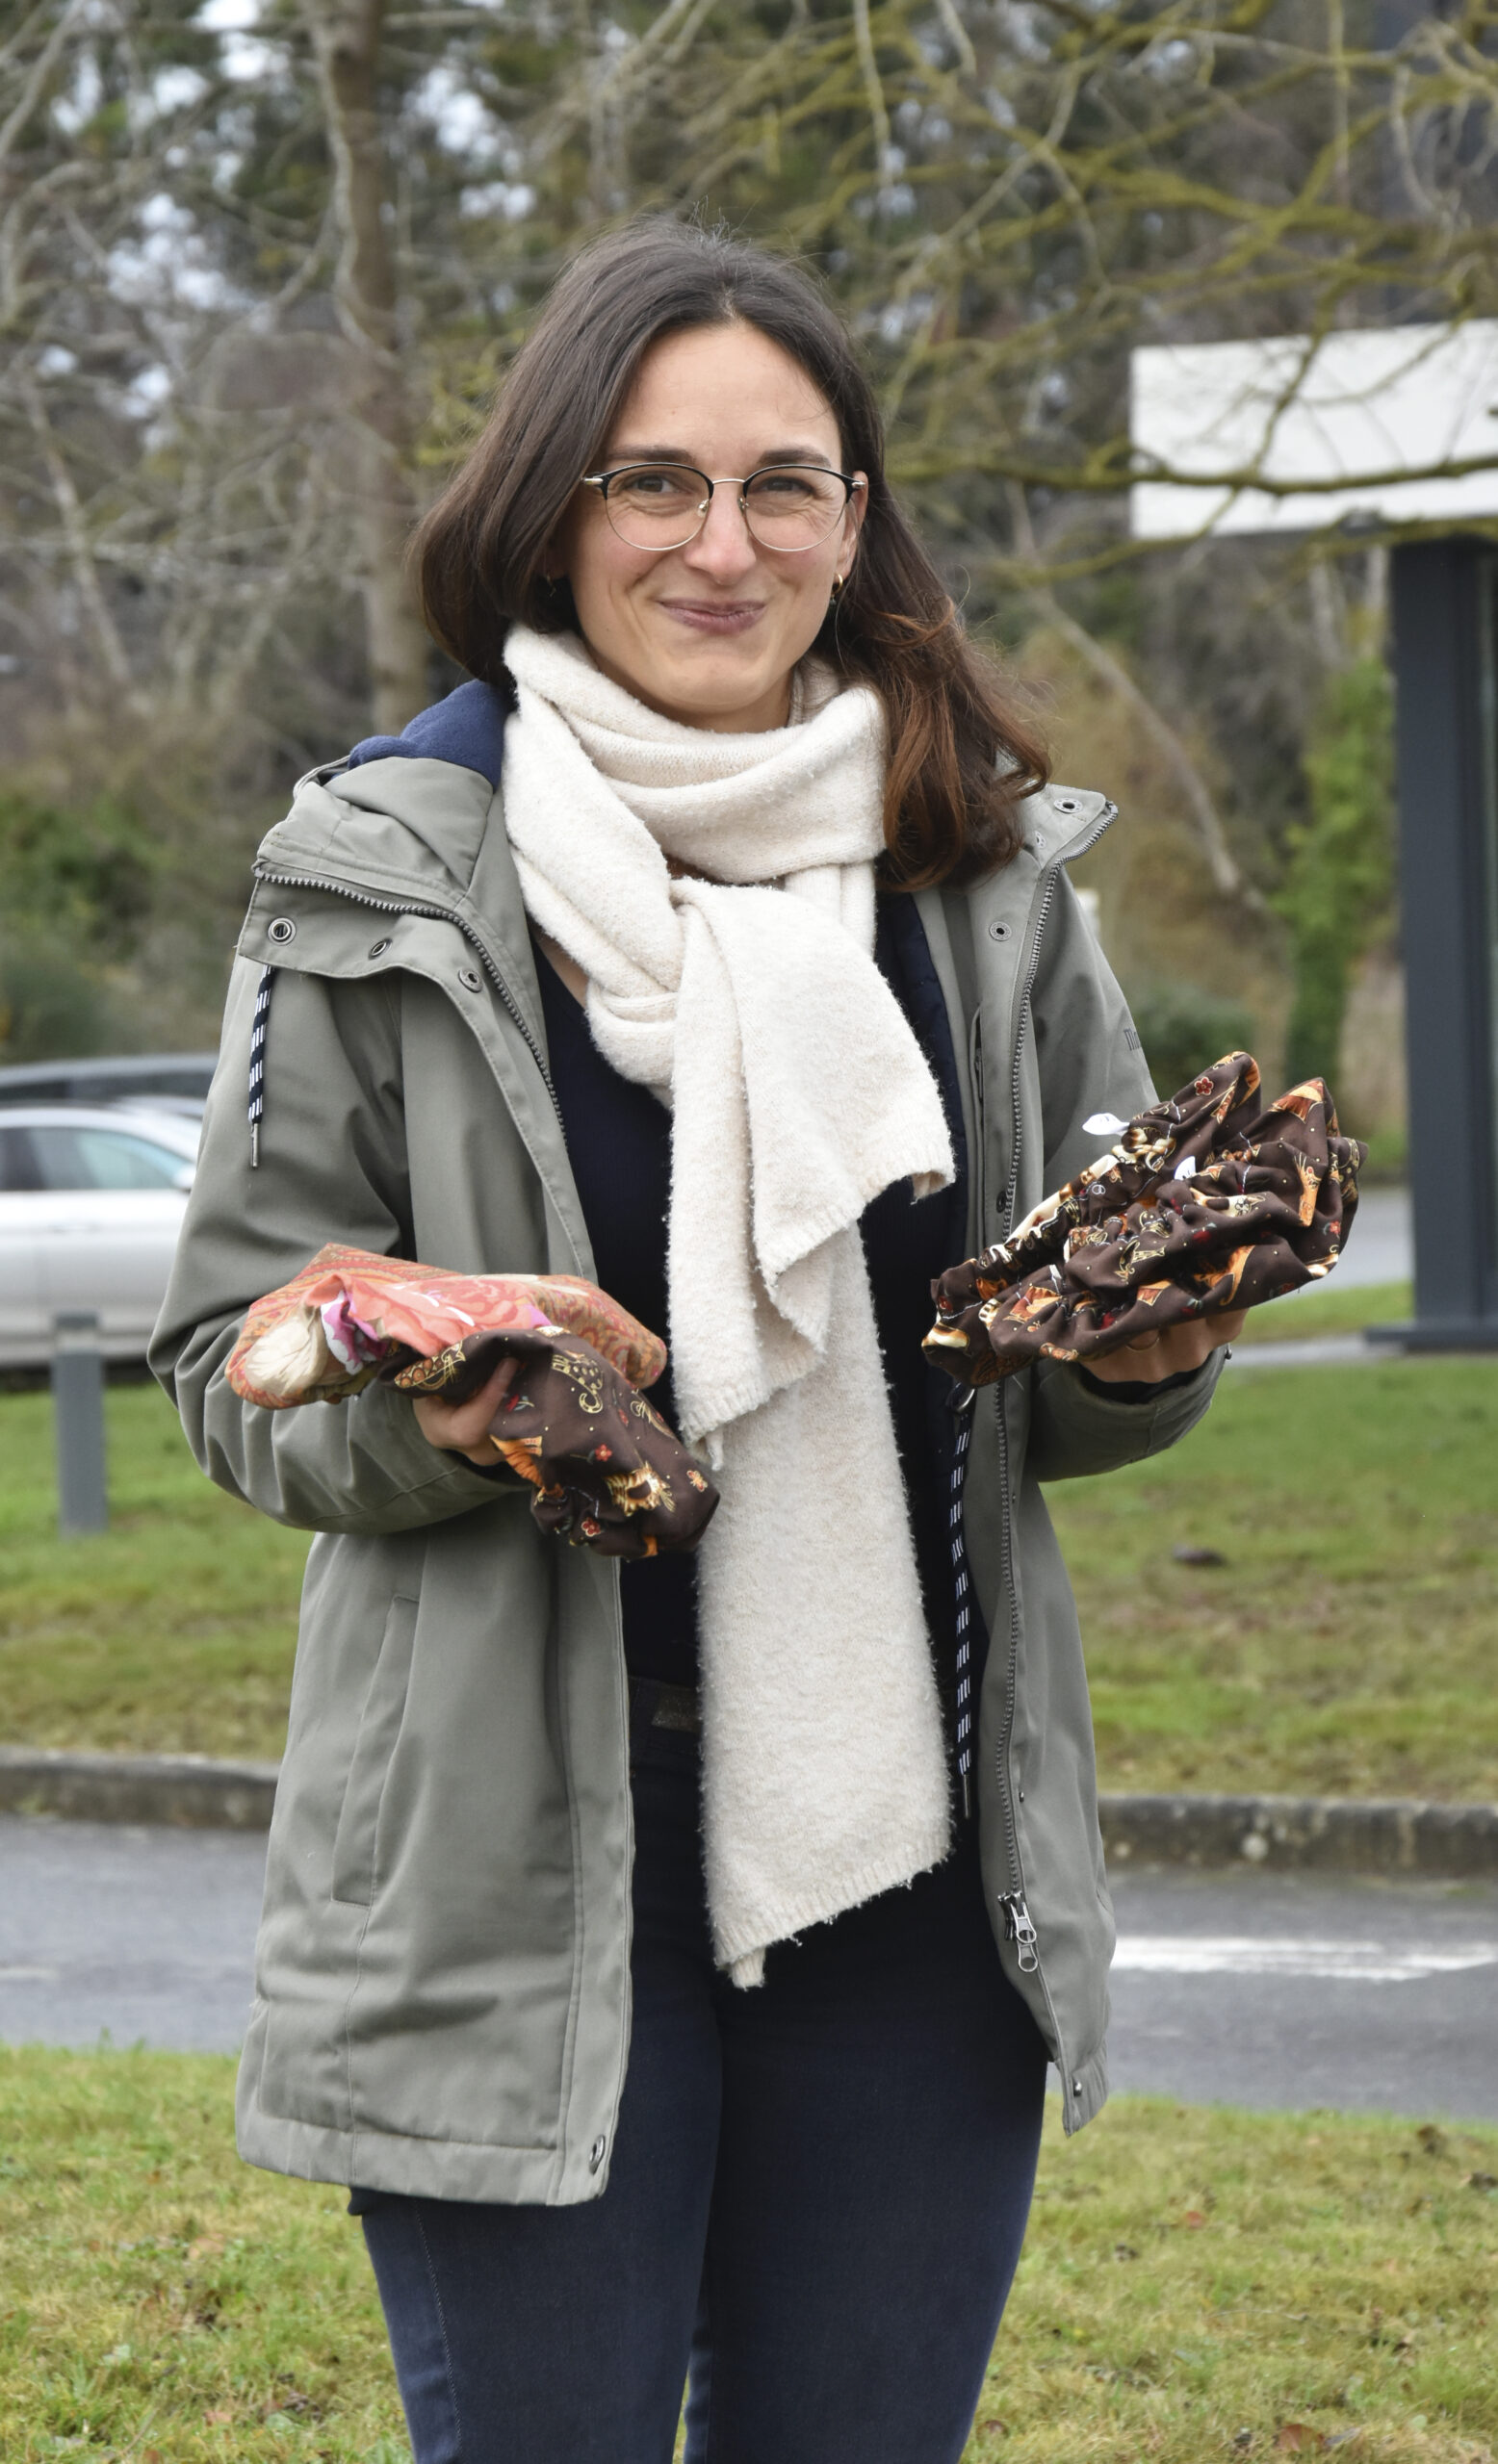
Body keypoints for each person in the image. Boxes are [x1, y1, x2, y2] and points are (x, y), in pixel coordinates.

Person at [152, 218, 1241, 2464]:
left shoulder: (989, 881)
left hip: (914, 1852)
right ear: (552, 502)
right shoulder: (372, 871)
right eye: (654, 481)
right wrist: (433, 1415)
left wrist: (1145, 1362)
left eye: (784, 485)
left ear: (858, 523)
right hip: (519, 1860)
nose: (719, 544)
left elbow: (1071, 1340)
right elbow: (225, 1362)